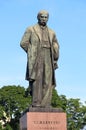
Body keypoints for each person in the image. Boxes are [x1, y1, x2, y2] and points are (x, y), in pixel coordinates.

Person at [20, 10, 59, 108]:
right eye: (42, 17)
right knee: (37, 79)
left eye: (46, 17)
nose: (44, 19)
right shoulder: (31, 29)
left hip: (48, 55)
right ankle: (36, 103)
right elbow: (23, 43)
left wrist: (55, 50)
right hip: (37, 56)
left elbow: (56, 43)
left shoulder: (52, 32)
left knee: (47, 80)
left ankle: (46, 104)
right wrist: (31, 51)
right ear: (38, 17)